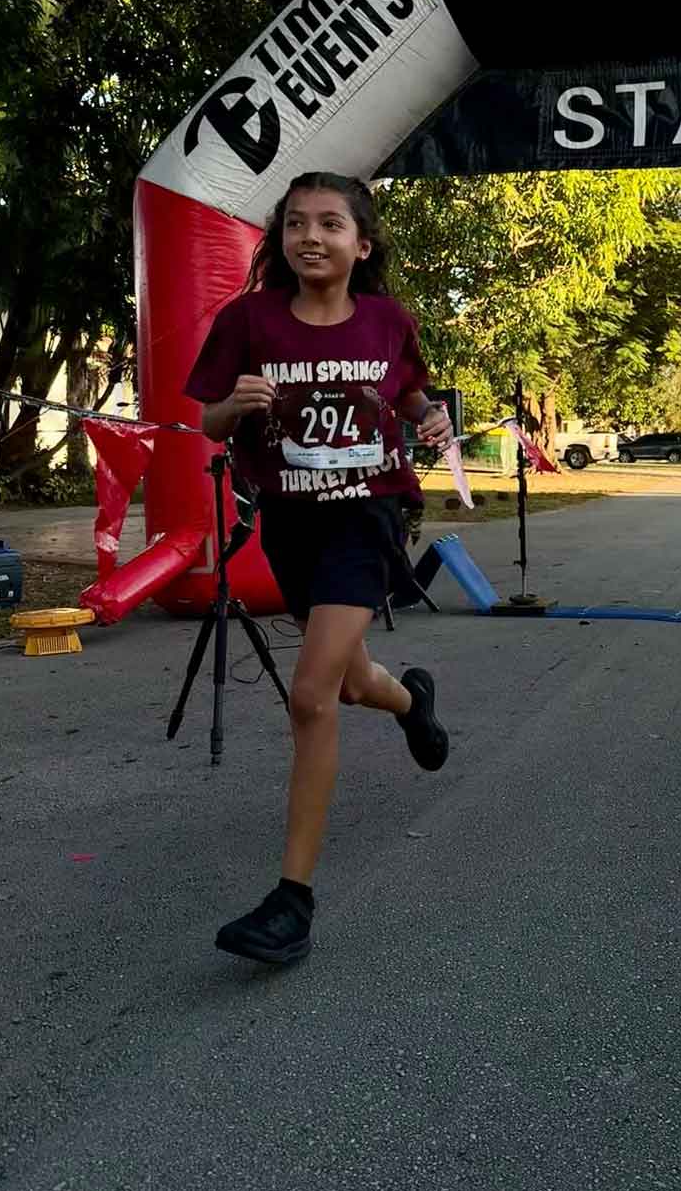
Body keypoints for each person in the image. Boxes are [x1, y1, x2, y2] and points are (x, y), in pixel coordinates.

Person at [184, 171, 453, 965]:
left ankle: (291, 902)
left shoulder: (386, 321)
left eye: (330, 224)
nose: (311, 235)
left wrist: (430, 416)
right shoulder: (249, 320)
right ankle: (411, 701)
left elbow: (406, 395)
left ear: (360, 245)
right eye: (296, 223)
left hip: (365, 516)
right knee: (348, 681)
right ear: (281, 239)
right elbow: (208, 419)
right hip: (290, 521)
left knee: (310, 697)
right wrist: (238, 407)